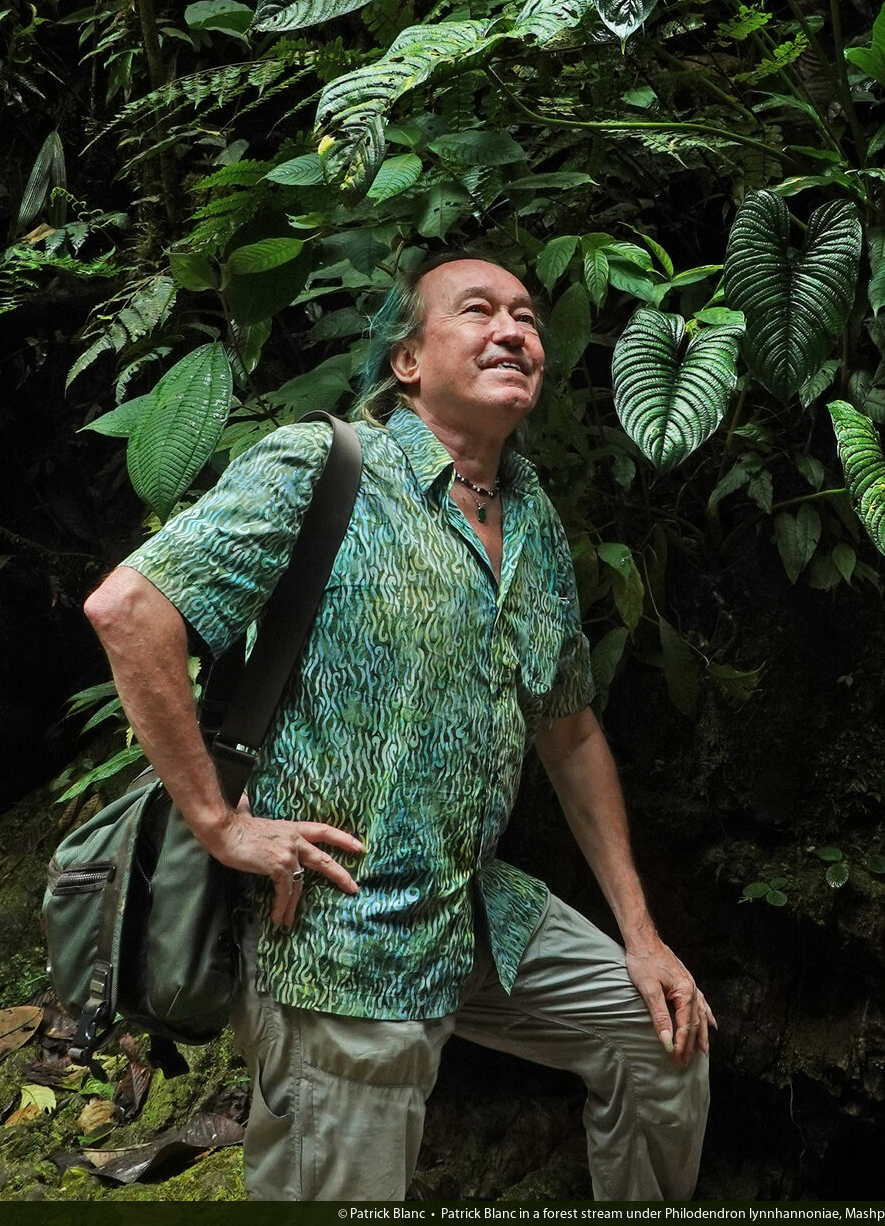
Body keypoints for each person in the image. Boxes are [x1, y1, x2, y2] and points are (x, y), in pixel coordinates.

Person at [82, 249, 712, 1203]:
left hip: (475, 909)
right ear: (408, 360)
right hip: (342, 935)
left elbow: (570, 730)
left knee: (659, 1040)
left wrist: (640, 933)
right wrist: (219, 822)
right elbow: (130, 610)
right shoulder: (323, 467)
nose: (512, 331)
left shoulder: (531, 515)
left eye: (526, 317)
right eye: (478, 310)